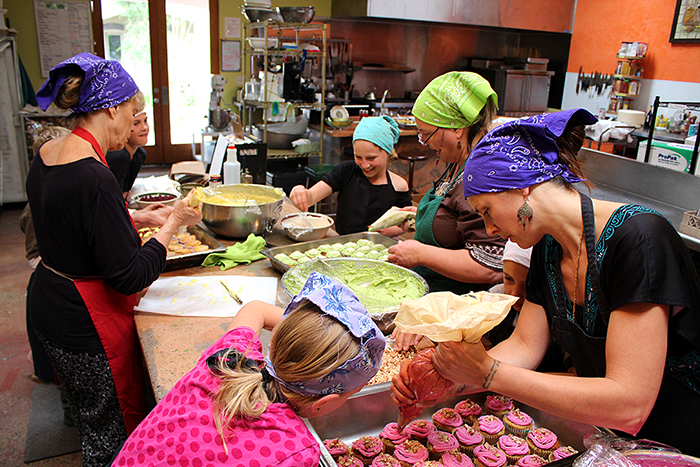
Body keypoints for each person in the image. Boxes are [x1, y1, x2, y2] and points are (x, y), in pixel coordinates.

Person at [391, 108, 700, 455]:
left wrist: (486, 372)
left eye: (487, 211)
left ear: (521, 188)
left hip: (677, 438)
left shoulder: (640, 239)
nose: (490, 229)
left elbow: (630, 402)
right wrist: (448, 378)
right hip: (612, 437)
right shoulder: (548, 248)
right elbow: (525, 346)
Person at [28, 52, 202, 466]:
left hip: (48, 303)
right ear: (111, 107)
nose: (133, 123)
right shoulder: (95, 175)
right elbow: (129, 276)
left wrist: (132, 215)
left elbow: (68, 220)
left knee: (88, 415)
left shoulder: (49, 152)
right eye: (132, 111)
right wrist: (173, 222)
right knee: (110, 434)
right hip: (85, 321)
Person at [111, 272, 385, 466]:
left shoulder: (226, 360)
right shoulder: (297, 451)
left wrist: (307, 332)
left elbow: (256, 309)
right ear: (322, 404)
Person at [387, 72, 505, 295]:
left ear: (456, 129)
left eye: (426, 134)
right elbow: (455, 220)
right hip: (430, 288)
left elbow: (491, 265)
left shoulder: (479, 178)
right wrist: (417, 219)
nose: (425, 144)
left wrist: (421, 255)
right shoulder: (457, 161)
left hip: (455, 302)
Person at [289, 115, 412, 235]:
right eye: (358, 157)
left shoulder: (399, 185)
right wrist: (300, 191)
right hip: (343, 243)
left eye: (371, 158)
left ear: (388, 152)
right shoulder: (346, 171)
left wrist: (395, 229)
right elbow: (311, 196)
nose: (364, 165)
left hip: (379, 247)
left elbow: (407, 221)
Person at [105, 91, 149, 199]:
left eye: (145, 121)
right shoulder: (118, 155)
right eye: (136, 123)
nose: (144, 128)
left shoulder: (140, 154)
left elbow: (125, 193)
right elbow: (115, 198)